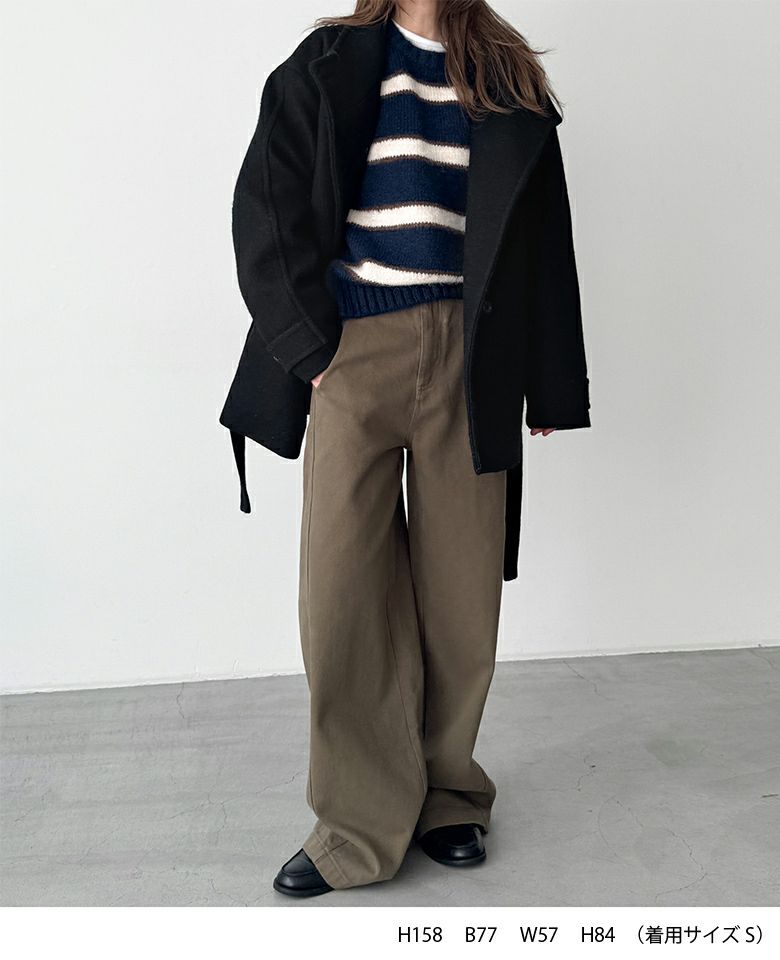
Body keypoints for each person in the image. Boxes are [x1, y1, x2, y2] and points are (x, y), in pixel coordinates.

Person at [220, 0, 590, 897]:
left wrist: (549, 382)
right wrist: (313, 352)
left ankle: (449, 793)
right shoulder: (328, 63)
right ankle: (355, 824)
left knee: (462, 590)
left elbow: (543, 241)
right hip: (355, 351)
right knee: (342, 588)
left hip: (474, 357)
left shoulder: (506, 78)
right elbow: (266, 210)